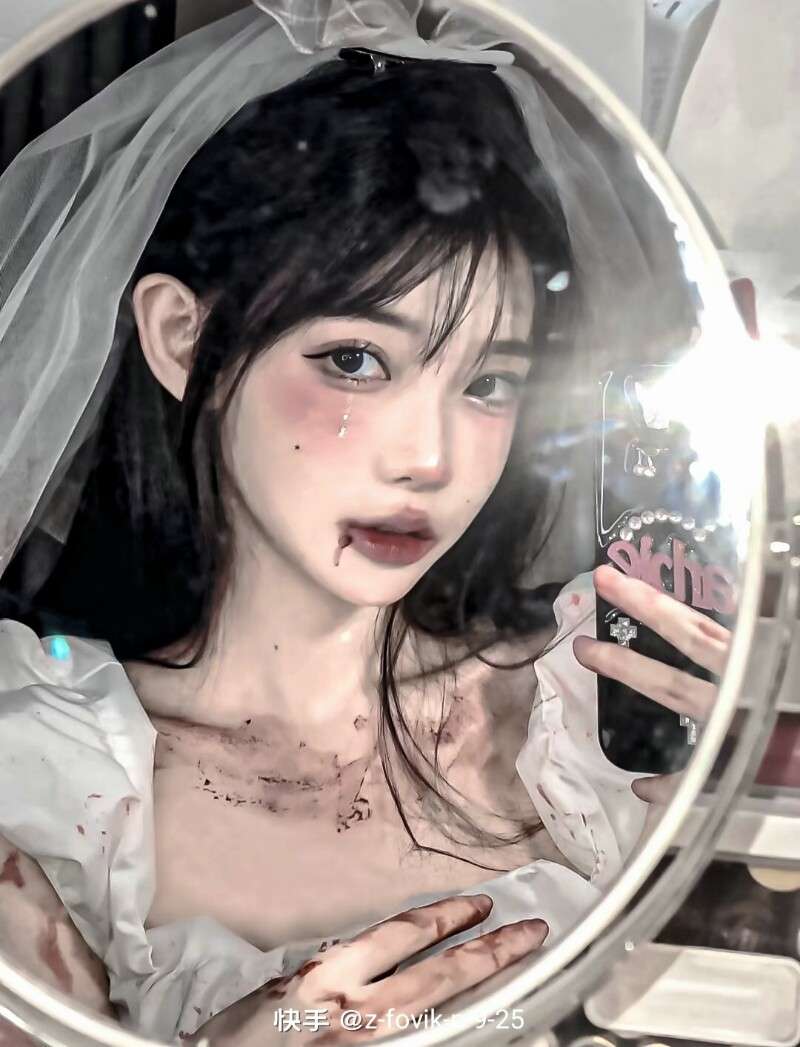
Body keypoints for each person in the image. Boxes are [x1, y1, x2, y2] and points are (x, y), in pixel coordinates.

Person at [0, 1, 729, 1043]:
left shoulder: (594, 712)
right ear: (179, 338)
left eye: (489, 382)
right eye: (354, 361)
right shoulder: (42, 776)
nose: (428, 458)